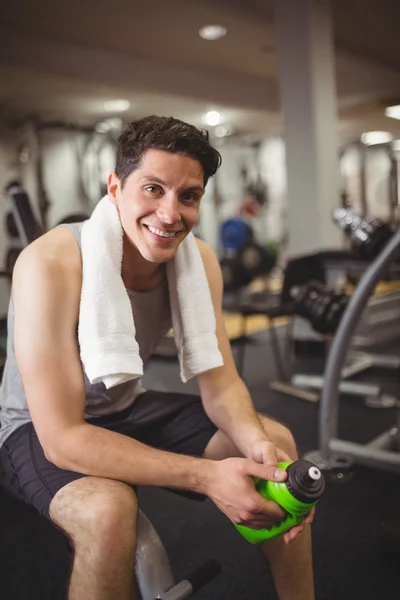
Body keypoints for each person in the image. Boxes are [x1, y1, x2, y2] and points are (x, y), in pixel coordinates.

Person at [0, 115, 315, 600]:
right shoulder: (49, 263)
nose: (170, 214)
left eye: (187, 196)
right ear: (115, 187)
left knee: (278, 442)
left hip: (124, 408)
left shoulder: (200, 261)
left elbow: (223, 383)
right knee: (108, 511)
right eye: (153, 189)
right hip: (36, 426)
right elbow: (62, 439)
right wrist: (209, 477)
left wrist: (256, 449)